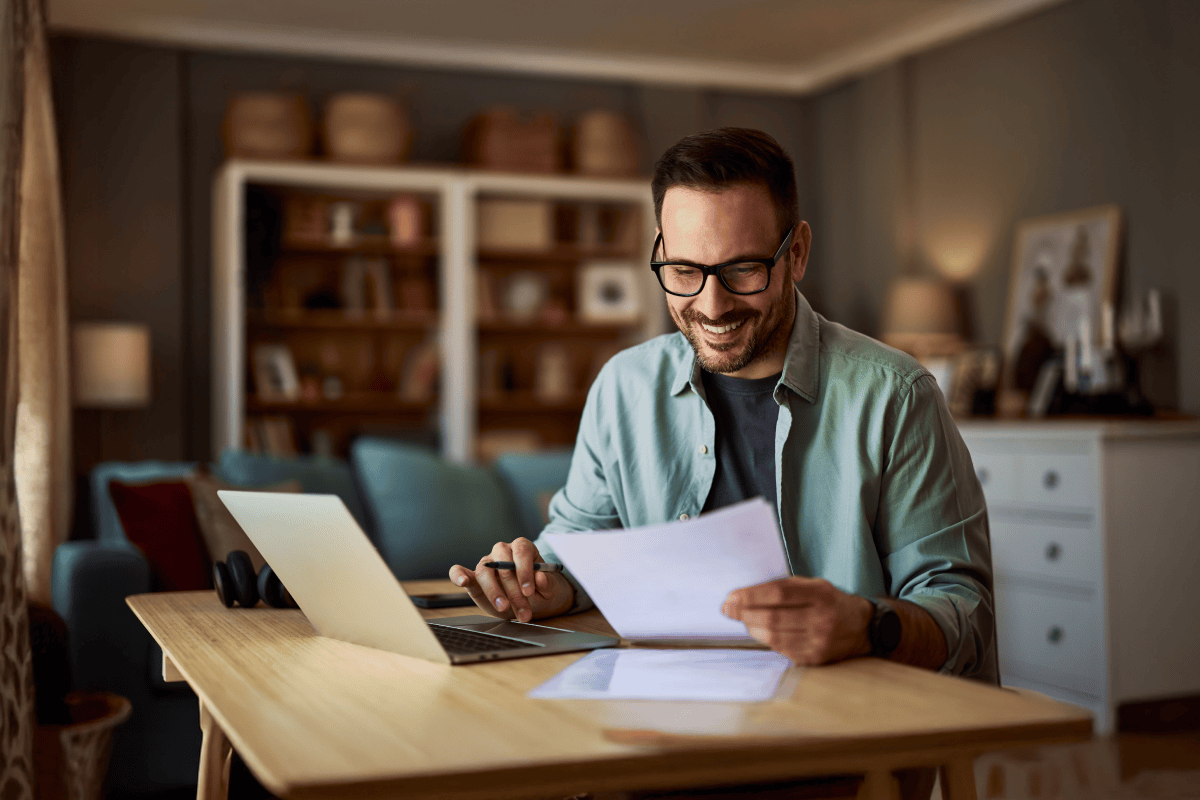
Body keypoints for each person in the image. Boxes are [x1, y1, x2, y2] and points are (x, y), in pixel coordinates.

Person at [449, 127, 996, 685]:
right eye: (684, 271)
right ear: (659, 251)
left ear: (798, 252)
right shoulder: (623, 386)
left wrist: (867, 624)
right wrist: (538, 585)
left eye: (741, 270)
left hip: (841, 731)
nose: (712, 306)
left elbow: (965, 617)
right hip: (657, 709)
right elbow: (580, 545)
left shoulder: (895, 396)